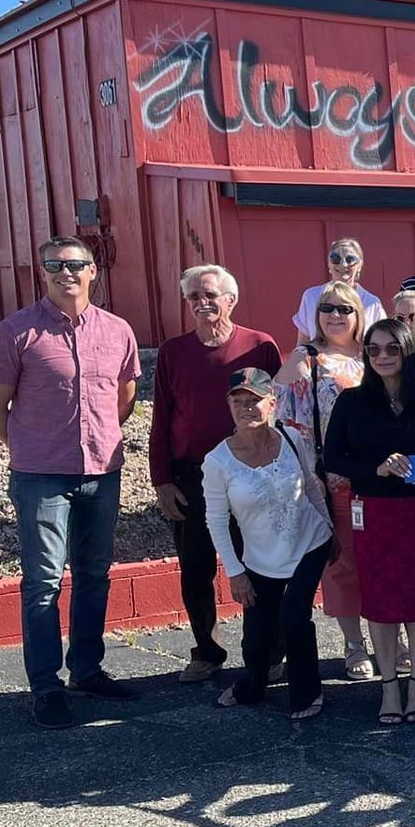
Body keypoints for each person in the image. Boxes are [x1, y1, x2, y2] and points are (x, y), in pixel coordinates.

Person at [0, 235, 143, 728]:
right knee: (44, 582)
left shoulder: (117, 331)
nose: (65, 272)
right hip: (41, 477)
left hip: (102, 471)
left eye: (75, 264)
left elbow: (124, 398)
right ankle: (47, 686)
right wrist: (33, 448)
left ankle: (87, 670)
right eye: (54, 264)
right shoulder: (17, 332)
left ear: (93, 271)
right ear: (43, 271)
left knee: (94, 574)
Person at [149, 264, 283, 685]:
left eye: (211, 295)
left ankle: (266, 651)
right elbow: (162, 418)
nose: (202, 303)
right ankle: (206, 651)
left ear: (231, 299)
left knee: (258, 564)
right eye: (194, 296)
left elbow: (280, 410)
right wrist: (162, 480)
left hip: (253, 473)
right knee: (195, 568)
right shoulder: (173, 351)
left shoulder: (259, 346)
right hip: (192, 478)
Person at [323, 319, 415, 726]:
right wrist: (374, 469)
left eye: (392, 349)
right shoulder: (352, 402)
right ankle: (389, 685)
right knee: (379, 600)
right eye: (373, 350)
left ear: (408, 352)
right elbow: (333, 458)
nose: (382, 357)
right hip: (373, 511)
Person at [202, 368, 335, 719]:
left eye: (254, 401)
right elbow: (216, 520)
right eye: (238, 401)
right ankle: (252, 685)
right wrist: (235, 572)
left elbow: (309, 485)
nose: (246, 408)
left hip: (310, 541)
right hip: (260, 559)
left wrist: (329, 527)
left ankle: (307, 695)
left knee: (294, 616)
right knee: (257, 639)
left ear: (272, 403)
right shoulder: (217, 461)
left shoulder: (291, 438)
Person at [276, 281, 370, 680]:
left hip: (379, 479)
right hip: (332, 480)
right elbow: (284, 422)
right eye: (327, 308)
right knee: (343, 563)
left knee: (383, 560)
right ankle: (354, 644)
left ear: (359, 315)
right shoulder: (305, 358)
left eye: (345, 309)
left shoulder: (376, 353)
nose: (335, 315)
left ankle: (392, 634)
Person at [291, 237, 385, 345]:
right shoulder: (311, 297)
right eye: (336, 258)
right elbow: (303, 342)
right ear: (329, 264)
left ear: (359, 266)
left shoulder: (372, 303)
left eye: (350, 259)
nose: (343, 264)